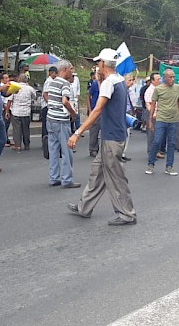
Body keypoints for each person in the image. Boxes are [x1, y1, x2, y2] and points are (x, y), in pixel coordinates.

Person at [67, 48, 137, 226]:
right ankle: (84, 207)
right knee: (97, 173)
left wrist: (77, 132)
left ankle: (127, 214)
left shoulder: (109, 83)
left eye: (98, 63)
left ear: (103, 64)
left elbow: (98, 109)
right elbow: (108, 100)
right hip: (114, 135)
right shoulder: (118, 80)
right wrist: (99, 81)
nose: (97, 66)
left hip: (111, 137)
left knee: (115, 177)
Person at [145, 68, 179, 176]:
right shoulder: (158, 89)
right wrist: (150, 121)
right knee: (157, 141)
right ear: (165, 78)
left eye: (174, 77)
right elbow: (152, 105)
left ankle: (169, 166)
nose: (173, 79)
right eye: (170, 77)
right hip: (161, 119)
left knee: (171, 143)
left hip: (173, 120)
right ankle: (151, 164)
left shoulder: (177, 88)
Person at [46, 60, 80, 188]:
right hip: (61, 120)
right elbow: (65, 101)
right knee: (67, 150)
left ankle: (53, 177)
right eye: (71, 69)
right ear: (65, 69)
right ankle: (67, 179)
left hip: (50, 118)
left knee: (53, 150)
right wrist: (73, 113)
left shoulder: (52, 82)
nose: (72, 71)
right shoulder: (65, 84)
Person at [7, 74, 37, 151]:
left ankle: (18, 145)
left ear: (18, 79)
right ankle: (27, 145)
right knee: (26, 129)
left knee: (16, 129)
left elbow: (9, 100)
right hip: (26, 112)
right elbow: (35, 97)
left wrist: (7, 111)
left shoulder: (14, 87)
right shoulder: (30, 88)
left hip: (16, 111)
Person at [145, 72, 162, 156]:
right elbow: (148, 104)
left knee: (158, 134)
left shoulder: (159, 89)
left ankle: (157, 151)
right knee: (151, 134)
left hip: (160, 114)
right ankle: (151, 152)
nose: (160, 80)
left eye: (160, 79)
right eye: (158, 79)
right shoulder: (149, 91)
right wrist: (153, 114)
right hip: (153, 114)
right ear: (152, 81)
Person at [87, 71, 101, 157]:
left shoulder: (108, 84)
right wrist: (90, 109)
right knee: (94, 130)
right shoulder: (95, 84)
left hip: (104, 110)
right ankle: (93, 149)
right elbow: (88, 95)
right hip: (95, 110)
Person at [0, 73, 13, 147]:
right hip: (4, 108)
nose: (8, 79)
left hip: (9, 107)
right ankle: (3, 140)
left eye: (8, 77)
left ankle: (6, 139)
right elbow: (2, 100)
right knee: (4, 125)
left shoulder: (8, 86)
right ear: (2, 79)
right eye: (6, 78)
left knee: (7, 125)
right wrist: (6, 110)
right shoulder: (1, 87)